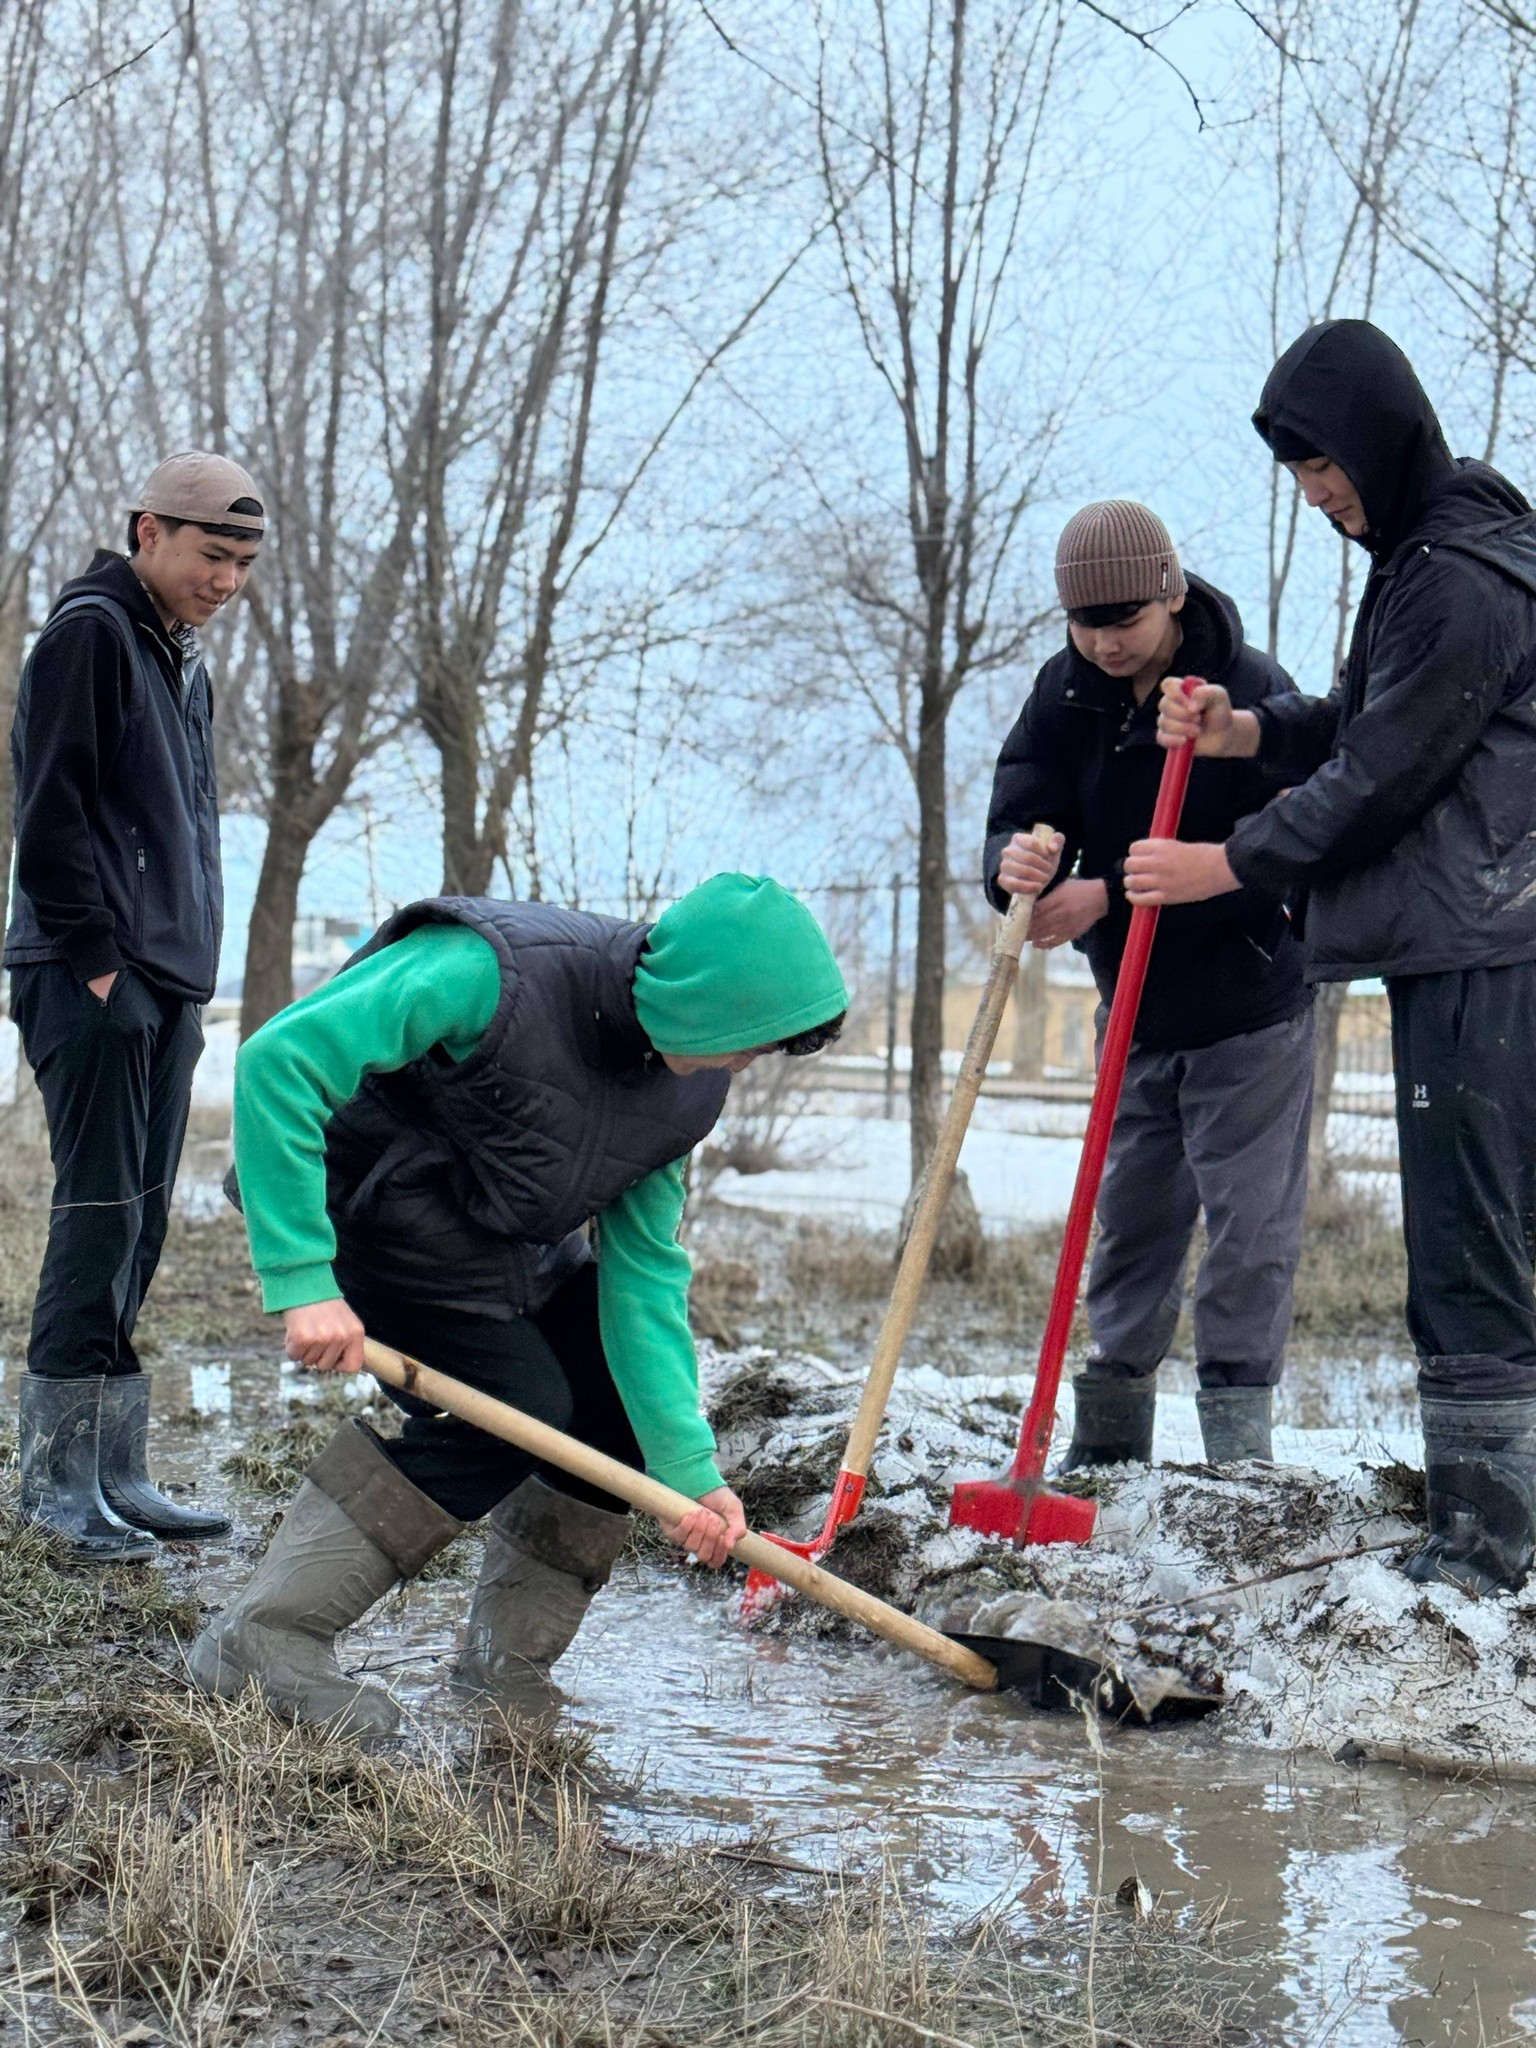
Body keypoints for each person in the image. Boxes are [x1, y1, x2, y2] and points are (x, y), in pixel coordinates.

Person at [188, 874, 848, 1735]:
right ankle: (259, 1641)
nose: (744, 1066)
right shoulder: (490, 972)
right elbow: (280, 1060)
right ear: (703, 1002)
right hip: (370, 1229)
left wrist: (690, 1473)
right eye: (749, 1044)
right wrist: (303, 1277)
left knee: (610, 1405)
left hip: (505, 1247)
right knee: (511, 1411)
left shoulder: (687, 1089)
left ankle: (504, 1665)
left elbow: (643, 1273)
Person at [1129, 319, 1536, 1595]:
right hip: (1466, 930)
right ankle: (1494, 1527)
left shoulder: (1460, 574)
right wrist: (1249, 727)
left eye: (1324, 465)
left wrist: (1228, 863)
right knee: (1487, 1230)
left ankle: (1483, 1548)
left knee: (1470, 1241)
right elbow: (1359, 717)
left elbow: (1381, 776)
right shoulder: (1425, 559)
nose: (1318, 495)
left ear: (1379, 433)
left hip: (1483, 937)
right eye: (1300, 476)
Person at [984, 501, 1313, 1468]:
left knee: (1249, 1235)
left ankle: (1237, 1456)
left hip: (1249, 1012)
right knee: (1130, 1225)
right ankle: (1108, 1443)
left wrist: (1109, 902)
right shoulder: (1066, 692)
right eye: (1087, 624)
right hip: (1129, 1012)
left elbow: (1287, 854)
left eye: (1125, 619)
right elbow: (1023, 799)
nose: (1107, 641)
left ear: (1170, 591)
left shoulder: (1248, 693)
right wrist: (1020, 864)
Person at [6, 454, 264, 1561]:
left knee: (146, 1217)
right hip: (90, 973)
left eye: (244, 563)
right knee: (97, 1211)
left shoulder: (181, 662)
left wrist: (182, 974)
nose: (227, 581)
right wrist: (102, 960)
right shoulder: (92, 635)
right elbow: (48, 804)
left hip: (164, 981)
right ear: (148, 531)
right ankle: (55, 1486)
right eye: (212, 555)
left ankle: (117, 1469)